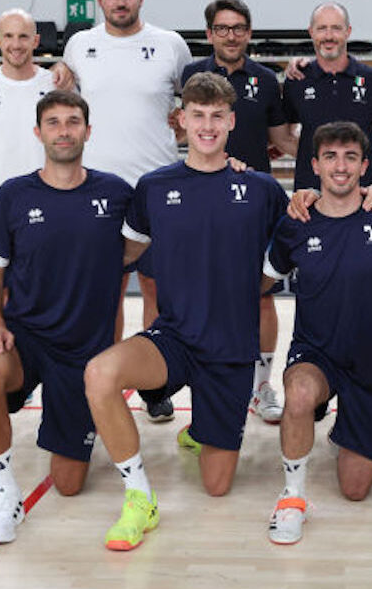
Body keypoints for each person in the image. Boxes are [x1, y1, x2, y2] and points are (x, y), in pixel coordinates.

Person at [82, 72, 288, 552]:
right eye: (198, 115)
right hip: (172, 338)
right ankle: (139, 497)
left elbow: (294, 244)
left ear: (232, 121)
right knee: (100, 375)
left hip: (231, 350)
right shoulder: (153, 187)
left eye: (218, 115)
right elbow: (124, 254)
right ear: (181, 121)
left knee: (216, 486)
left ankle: (201, 430)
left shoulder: (259, 189)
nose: (208, 125)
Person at [261, 121, 372, 545]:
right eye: (330, 157)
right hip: (315, 352)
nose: (340, 166)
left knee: (356, 490)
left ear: (366, 165)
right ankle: (291, 497)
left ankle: (344, 431)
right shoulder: (296, 222)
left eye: (349, 157)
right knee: (300, 395)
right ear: (314, 165)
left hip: (371, 358)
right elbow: (260, 285)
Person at [0, 90, 132, 544]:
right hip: (25, 339)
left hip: (84, 351)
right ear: (39, 133)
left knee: (68, 484)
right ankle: (5, 491)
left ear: (88, 131)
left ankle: (80, 419)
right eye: (55, 122)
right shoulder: (14, 194)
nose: (64, 131)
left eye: (73, 121)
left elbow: (155, 232)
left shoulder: (116, 193)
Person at [53, 0, 193, 423]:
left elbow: (193, 102)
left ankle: (155, 385)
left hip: (156, 191)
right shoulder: (79, 46)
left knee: (157, 293)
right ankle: (105, 380)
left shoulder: (170, 44)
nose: (120, 2)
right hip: (97, 193)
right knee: (103, 295)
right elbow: (60, 95)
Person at [181, 0, 294, 424]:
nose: (232, 35)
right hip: (199, 199)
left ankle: (261, 383)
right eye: (223, 28)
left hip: (253, 206)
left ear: (249, 32)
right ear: (210, 34)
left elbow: (283, 141)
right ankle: (208, 379)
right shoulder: (191, 74)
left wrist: (334, 156)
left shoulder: (266, 79)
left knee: (261, 295)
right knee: (204, 296)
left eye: (239, 27)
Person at [282, 2, 372, 192]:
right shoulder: (297, 80)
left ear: (348, 32)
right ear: (311, 32)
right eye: (322, 28)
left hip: (362, 196)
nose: (329, 36)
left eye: (336, 28)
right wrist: (319, 156)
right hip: (311, 195)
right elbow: (284, 136)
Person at [0, 8, 55, 221]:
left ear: (36, 41)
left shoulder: (55, 85)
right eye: (8, 36)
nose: (16, 45)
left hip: (48, 206)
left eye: (23, 36)